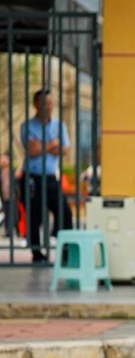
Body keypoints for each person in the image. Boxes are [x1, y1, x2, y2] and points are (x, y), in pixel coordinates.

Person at [20, 89, 73, 262]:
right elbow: (32, 151)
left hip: (51, 177)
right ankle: (37, 253)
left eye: (50, 103)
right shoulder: (27, 126)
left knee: (64, 211)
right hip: (32, 177)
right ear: (36, 105)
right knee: (34, 215)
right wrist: (52, 145)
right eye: (44, 103)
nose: (48, 107)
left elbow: (64, 149)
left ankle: (65, 250)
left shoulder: (60, 126)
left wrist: (42, 146)